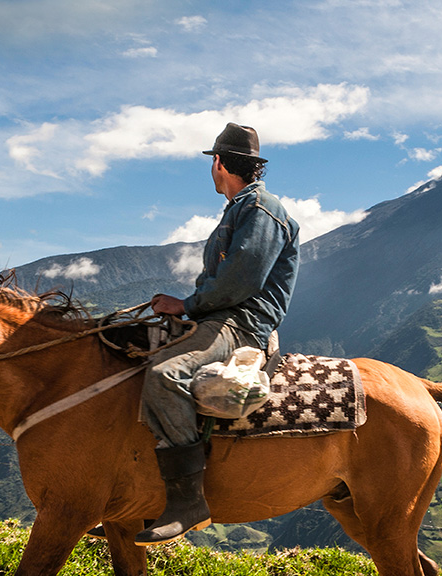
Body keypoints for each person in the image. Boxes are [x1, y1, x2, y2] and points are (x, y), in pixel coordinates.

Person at [135, 123, 300, 546]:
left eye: (212, 162)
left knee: (163, 375)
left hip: (240, 323)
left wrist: (186, 305)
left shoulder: (262, 208)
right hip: (219, 317)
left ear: (219, 163)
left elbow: (239, 282)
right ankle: (136, 494)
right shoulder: (241, 206)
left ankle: (189, 502)